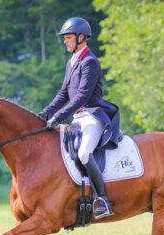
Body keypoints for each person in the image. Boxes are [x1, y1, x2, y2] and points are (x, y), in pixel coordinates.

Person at [38, 17, 122, 219]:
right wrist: (43, 115)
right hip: (77, 119)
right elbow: (63, 94)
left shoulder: (90, 62)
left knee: (84, 154)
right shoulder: (72, 62)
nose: (65, 41)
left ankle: (102, 199)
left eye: (68, 37)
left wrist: (58, 117)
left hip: (93, 116)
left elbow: (82, 96)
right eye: (65, 38)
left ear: (81, 37)